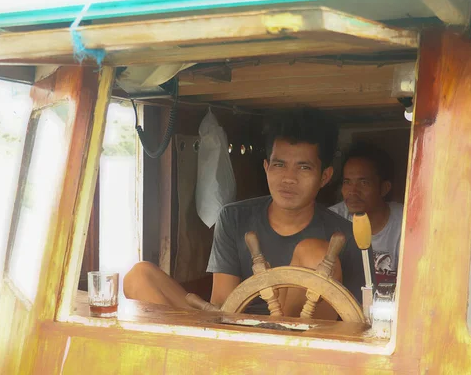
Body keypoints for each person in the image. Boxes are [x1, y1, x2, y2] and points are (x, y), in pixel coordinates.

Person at [124, 109, 370, 319]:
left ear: (324, 176)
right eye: (279, 164)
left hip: (299, 348)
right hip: (235, 331)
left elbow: (355, 319)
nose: (288, 179)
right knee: (140, 275)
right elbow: (222, 304)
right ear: (266, 168)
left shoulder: (344, 236)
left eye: (303, 167)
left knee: (315, 253)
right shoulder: (234, 218)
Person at [329, 143, 403, 276]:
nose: (353, 191)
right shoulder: (332, 219)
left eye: (363, 183)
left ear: (384, 188)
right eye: (347, 182)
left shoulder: (406, 223)